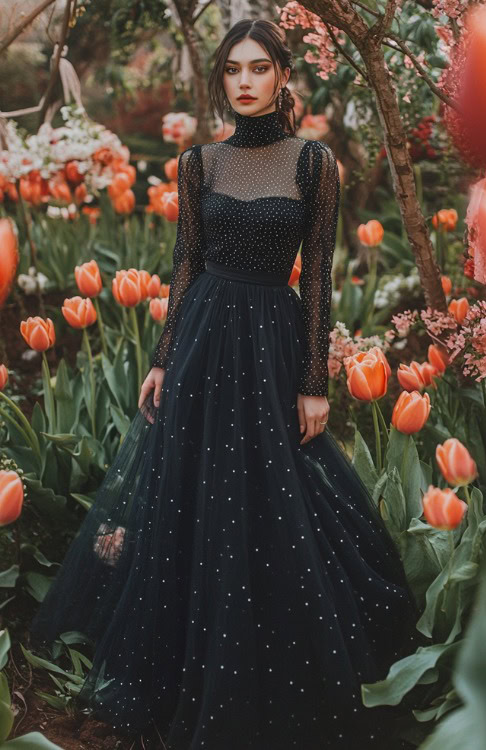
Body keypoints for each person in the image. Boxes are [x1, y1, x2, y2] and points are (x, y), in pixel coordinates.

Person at [29, 18, 419, 750]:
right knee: (193, 491)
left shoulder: (313, 164)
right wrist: (159, 358)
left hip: (272, 339)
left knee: (277, 491)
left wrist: (314, 381)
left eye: (259, 68)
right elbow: (184, 265)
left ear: (282, 77)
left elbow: (322, 279)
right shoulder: (198, 163)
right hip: (205, 335)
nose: (245, 81)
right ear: (223, 80)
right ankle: (182, 655)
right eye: (233, 70)